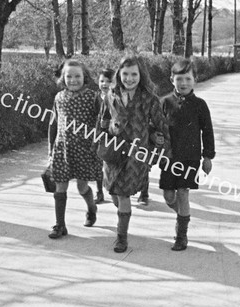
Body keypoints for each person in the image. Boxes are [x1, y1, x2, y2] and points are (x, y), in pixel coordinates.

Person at [99, 55, 171, 253]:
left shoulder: (149, 99)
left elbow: (162, 126)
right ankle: (123, 218)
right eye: (125, 74)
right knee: (113, 193)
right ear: (119, 75)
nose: (129, 78)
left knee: (123, 195)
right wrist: (109, 130)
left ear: (141, 75)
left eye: (134, 74)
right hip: (113, 153)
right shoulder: (110, 96)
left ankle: (121, 238)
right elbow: (102, 122)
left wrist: (160, 152)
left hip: (136, 156)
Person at [160, 59, 215, 251]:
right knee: (168, 196)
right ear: (171, 79)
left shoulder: (200, 105)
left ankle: (181, 235)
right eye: (179, 79)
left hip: (190, 157)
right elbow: (155, 128)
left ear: (195, 80)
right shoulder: (164, 102)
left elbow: (207, 132)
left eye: (188, 79)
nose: (183, 83)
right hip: (168, 158)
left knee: (183, 192)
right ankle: (183, 216)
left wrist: (207, 157)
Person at [48, 59, 103, 238]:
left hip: (85, 149)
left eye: (77, 76)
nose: (73, 80)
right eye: (69, 76)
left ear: (84, 77)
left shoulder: (93, 97)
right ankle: (59, 225)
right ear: (63, 78)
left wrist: (99, 143)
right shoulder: (59, 97)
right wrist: (50, 150)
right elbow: (54, 124)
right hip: (62, 149)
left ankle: (91, 208)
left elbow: (102, 122)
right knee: (60, 187)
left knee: (81, 187)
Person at [94, 68, 115, 204]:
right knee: (97, 163)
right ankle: (99, 192)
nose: (105, 84)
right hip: (98, 133)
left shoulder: (117, 97)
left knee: (112, 163)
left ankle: (143, 191)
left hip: (113, 135)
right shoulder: (95, 97)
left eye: (109, 81)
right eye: (102, 81)